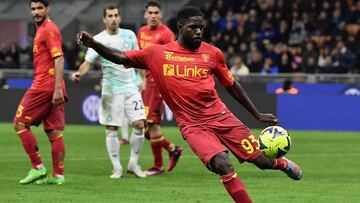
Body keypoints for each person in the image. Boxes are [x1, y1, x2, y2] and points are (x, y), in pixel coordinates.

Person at [76, 6, 303, 202]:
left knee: (262, 161)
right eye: (193, 27)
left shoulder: (213, 54)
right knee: (224, 164)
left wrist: (256, 114)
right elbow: (122, 57)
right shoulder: (158, 53)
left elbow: (231, 85)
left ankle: (281, 164)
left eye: (201, 28)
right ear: (180, 27)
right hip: (193, 126)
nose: (198, 32)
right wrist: (94, 44)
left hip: (221, 117)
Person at [72, 6, 146, 179]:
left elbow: (138, 58)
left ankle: (133, 163)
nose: (113, 19)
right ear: (104, 20)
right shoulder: (97, 40)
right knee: (112, 128)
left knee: (140, 125)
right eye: (110, 16)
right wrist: (79, 73)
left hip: (130, 88)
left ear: (119, 18)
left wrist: (142, 79)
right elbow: (87, 63)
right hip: (111, 91)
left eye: (116, 15)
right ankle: (117, 167)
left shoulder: (130, 35)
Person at [13, 0, 66, 185]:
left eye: (39, 8)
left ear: (48, 9)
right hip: (52, 85)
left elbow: (59, 59)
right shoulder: (42, 29)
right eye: (33, 9)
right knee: (53, 130)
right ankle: (58, 176)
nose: (36, 12)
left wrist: (57, 88)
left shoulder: (48, 29)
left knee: (19, 123)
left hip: (45, 85)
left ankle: (37, 167)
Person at [138, 1, 183, 175]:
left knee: (151, 124)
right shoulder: (141, 32)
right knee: (143, 127)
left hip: (158, 84)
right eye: (150, 12)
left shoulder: (166, 34)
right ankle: (173, 149)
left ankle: (158, 166)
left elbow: (172, 60)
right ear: (145, 14)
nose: (153, 15)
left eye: (156, 12)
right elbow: (140, 57)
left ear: (161, 15)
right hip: (145, 83)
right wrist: (140, 79)